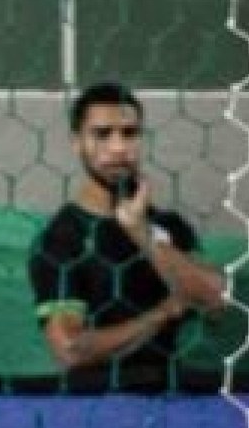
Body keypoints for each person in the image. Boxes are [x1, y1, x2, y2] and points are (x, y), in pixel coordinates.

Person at [27, 81, 229, 389]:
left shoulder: (168, 225)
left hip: (176, 402)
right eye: (102, 134)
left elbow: (216, 299)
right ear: (76, 143)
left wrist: (141, 232)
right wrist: (163, 313)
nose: (118, 147)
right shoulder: (60, 239)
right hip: (98, 406)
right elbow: (70, 349)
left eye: (129, 133)